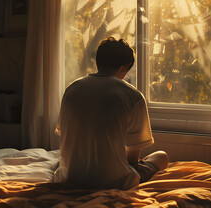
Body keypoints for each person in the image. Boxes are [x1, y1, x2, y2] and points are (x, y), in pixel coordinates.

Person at [54, 37, 169, 190]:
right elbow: (133, 159)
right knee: (161, 156)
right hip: (114, 182)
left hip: (70, 177)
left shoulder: (72, 89)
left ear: (97, 62)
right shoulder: (132, 96)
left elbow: (65, 138)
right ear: (124, 68)